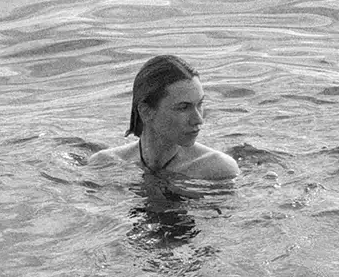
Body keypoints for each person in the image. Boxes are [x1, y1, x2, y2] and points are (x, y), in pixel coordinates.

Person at [100, 54, 239, 183]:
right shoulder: (105, 165)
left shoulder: (218, 169)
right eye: (183, 107)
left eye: (200, 104)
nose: (198, 119)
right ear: (146, 112)